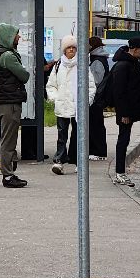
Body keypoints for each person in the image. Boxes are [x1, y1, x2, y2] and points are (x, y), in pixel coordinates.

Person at [107, 37, 140, 186]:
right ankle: (120, 173)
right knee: (123, 139)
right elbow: (118, 92)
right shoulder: (123, 66)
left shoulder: (132, 63)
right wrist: (123, 114)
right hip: (127, 110)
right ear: (136, 49)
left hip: (138, 107)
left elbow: (139, 80)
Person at [47, 35, 94, 175]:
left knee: (78, 136)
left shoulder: (82, 65)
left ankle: (78, 162)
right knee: (62, 135)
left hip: (77, 108)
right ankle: (59, 161)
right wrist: (56, 98)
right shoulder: (57, 66)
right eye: (69, 48)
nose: (71, 50)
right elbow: (51, 86)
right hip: (62, 107)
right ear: (64, 50)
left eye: (74, 48)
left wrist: (86, 101)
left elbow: (90, 86)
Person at [0, 22, 30, 187]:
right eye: (16, 34)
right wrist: (24, 71)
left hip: (8, 101)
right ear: (9, 36)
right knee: (8, 140)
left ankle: (9, 172)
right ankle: (7, 176)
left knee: (9, 138)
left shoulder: (5, 53)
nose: (19, 37)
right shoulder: (7, 55)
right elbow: (24, 75)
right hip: (9, 103)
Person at [87, 36, 111, 159]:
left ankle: (98, 151)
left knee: (95, 124)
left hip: (96, 97)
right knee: (96, 124)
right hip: (99, 97)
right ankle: (97, 150)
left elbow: (96, 80)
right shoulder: (101, 58)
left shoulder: (97, 60)